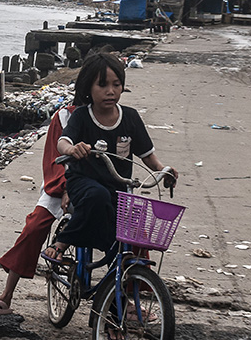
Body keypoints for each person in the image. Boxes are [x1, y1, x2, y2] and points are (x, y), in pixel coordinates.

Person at [43, 53, 177, 261]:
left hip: (119, 187)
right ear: (89, 88)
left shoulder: (130, 117)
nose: (110, 91)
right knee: (97, 196)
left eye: (116, 85)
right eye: (103, 85)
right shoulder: (81, 116)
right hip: (83, 183)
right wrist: (71, 150)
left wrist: (164, 170)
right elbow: (63, 142)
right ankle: (63, 240)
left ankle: (119, 286)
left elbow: (148, 156)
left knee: (123, 241)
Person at [0, 99, 78, 316]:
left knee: (132, 230)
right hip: (62, 185)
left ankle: (128, 294)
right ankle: (7, 294)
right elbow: (55, 160)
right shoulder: (64, 116)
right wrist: (66, 187)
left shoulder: (119, 118)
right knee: (33, 228)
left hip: (95, 187)